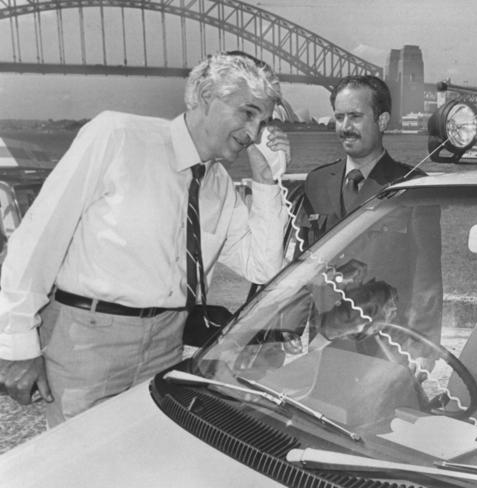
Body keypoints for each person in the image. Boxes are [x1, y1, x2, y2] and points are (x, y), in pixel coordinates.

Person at [0, 52, 290, 426]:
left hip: (167, 345)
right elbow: (39, 238)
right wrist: (16, 343)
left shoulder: (218, 183)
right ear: (203, 96)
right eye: (247, 113)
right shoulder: (117, 137)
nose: (253, 133)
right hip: (88, 341)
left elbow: (263, 267)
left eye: (263, 122)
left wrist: (266, 179)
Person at [295, 75, 443, 346]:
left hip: (387, 346)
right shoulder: (316, 182)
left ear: (382, 121)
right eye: (339, 117)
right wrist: (292, 329)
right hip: (325, 342)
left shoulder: (412, 186)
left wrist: (422, 350)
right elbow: (303, 268)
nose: (345, 127)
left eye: (355, 116)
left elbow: (427, 282)